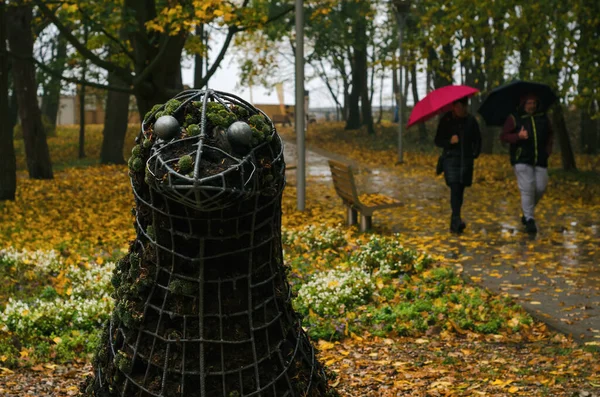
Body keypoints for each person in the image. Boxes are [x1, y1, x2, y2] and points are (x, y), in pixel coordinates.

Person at [500, 93, 554, 234]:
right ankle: (530, 220)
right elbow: (504, 136)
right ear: (523, 104)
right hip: (522, 159)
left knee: (541, 187)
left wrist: (548, 150)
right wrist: (518, 136)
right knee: (527, 188)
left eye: (534, 103)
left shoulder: (543, 117)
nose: (532, 106)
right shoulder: (514, 118)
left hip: (540, 159)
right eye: (529, 103)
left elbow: (550, 134)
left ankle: (526, 213)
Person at [435, 97, 482, 234]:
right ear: (454, 106)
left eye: (464, 106)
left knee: (460, 190)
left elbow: (478, 139)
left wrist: (475, 153)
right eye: (459, 106)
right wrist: (450, 141)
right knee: (455, 187)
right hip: (451, 160)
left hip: (466, 161)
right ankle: (456, 219)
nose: (462, 109)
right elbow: (438, 140)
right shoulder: (447, 120)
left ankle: (455, 220)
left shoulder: (471, 121)